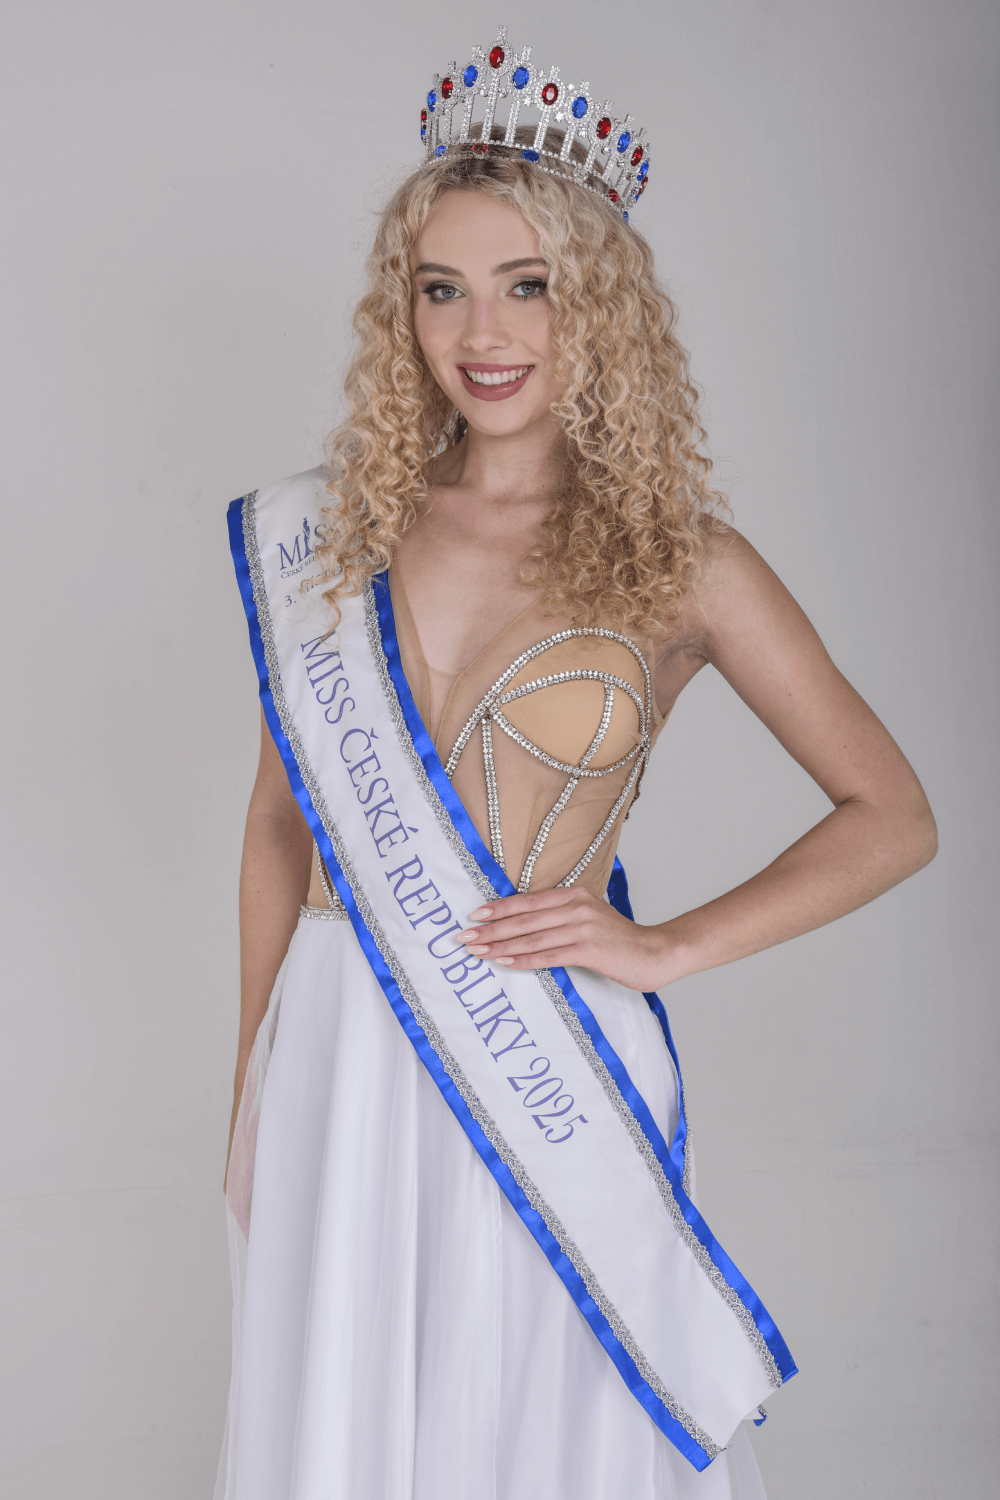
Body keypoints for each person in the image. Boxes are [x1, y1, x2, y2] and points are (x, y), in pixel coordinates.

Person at [216, 28, 936, 1500]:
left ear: (597, 301)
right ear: (403, 311)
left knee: (544, 1430)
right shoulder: (337, 534)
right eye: (442, 288)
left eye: (527, 284)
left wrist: (665, 947)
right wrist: (252, 1075)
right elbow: (281, 821)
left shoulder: (684, 561)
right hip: (343, 1042)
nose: (482, 330)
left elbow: (892, 815)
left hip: (547, 1049)